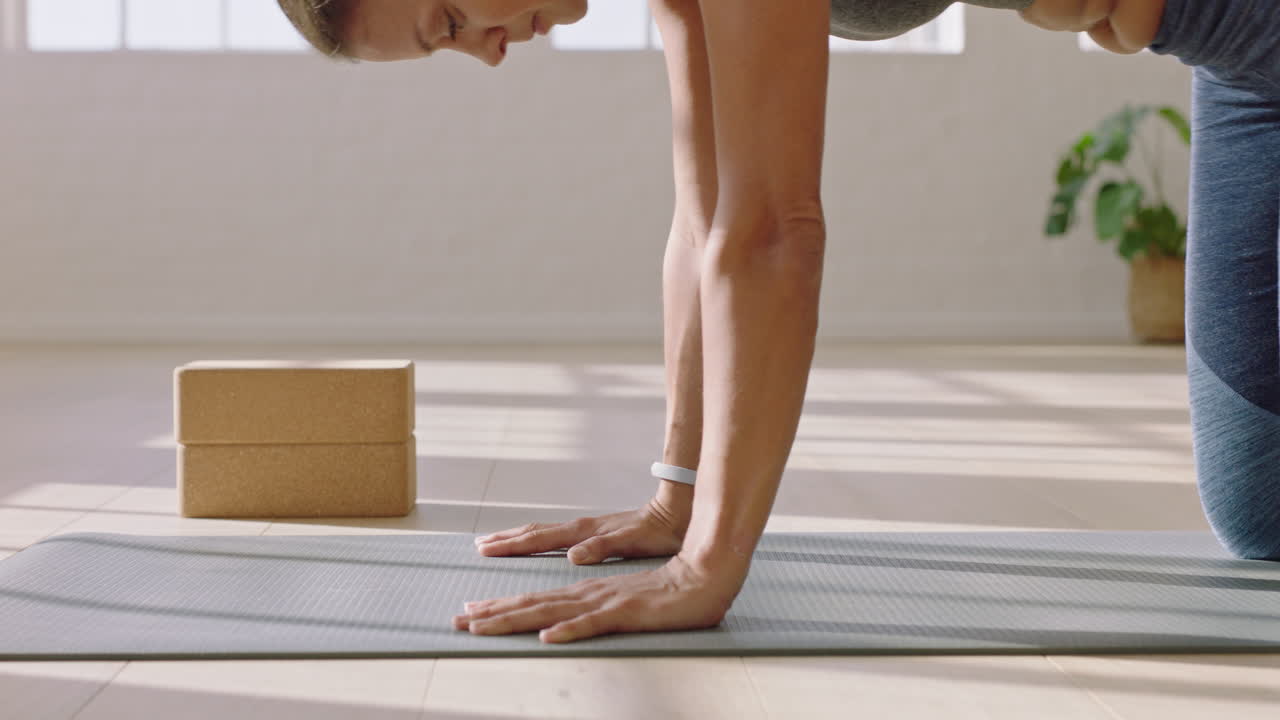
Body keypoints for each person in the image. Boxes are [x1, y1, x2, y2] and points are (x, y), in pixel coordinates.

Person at [276, 0, 1280, 644]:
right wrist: (675, 500)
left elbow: (772, 235)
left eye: (449, 19)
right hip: (1236, 62)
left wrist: (708, 569)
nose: (486, 53)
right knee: (1261, 508)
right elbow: (707, 216)